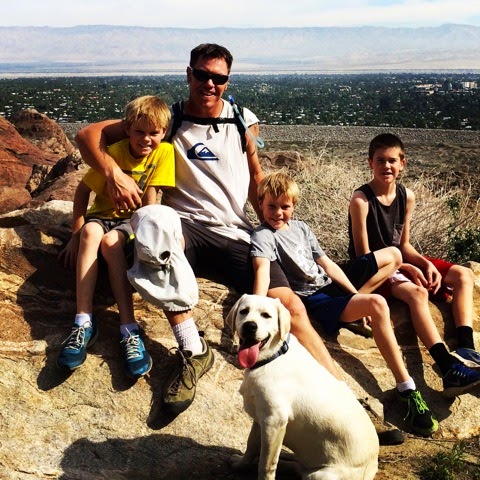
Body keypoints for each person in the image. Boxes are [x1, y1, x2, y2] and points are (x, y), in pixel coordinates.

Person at [74, 44, 403, 440]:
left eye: (219, 78)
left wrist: (273, 227)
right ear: (189, 74)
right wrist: (114, 174)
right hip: (187, 227)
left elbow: (254, 177)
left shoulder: (242, 120)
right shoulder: (168, 119)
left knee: (289, 306)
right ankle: (194, 351)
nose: (209, 83)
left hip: (235, 231)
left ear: (228, 81)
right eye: (202, 74)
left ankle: (346, 402)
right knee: (157, 239)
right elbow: (87, 135)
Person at [250, 171, 437, 436]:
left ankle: (406, 387)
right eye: (271, 206)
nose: (278, 213)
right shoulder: (263, 235)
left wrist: (353, 295)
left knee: (385, 276)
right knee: (378, 303)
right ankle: (406, 388)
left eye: (285, 206)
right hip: (315, 299)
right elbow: (263, 270)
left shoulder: (301, 228)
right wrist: (256, 310)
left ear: (294, 205)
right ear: (260, 203)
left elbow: (327, 264)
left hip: (331, 287)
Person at [348, 132, 480, 399]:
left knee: (463, 275)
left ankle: (467, 349)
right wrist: (405, 269)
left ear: (402, 163)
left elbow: (404, 244)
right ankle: (447, 366)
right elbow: (365, 256)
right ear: (370, 162)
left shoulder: (406, 195)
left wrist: (422, 263)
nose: (387, 166)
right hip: (375, 268)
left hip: (399, 259)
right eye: (380, 160)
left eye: (392, 161)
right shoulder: (361, 200)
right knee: (417, 293)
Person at [58, 95, 175, 379]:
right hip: (101, 216)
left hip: (131, 222)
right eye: (139, 132)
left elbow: (150, 198)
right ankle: (83, 321)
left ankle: (128, 327)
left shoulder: (164, 153)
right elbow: (83, 191)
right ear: (127, 129)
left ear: (164, 132)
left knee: (111, 243)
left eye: (154, 133)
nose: (146, 139)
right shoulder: (115, 152)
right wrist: (75, 233)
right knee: (90, 233)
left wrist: (147, 238)